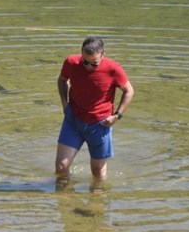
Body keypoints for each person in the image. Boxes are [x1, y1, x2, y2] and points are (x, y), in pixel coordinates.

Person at [56, 36, 134, 184]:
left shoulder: (113, 69)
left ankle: (97, 202)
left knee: (98, 172)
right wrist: (65, 105)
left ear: (103, 55)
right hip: (73, 120)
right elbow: (62, 80)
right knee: (61, 167)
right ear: (81, 53)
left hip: (100, 124)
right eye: (84, 61)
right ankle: (64, 199)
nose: (88, 67)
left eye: (94, 63)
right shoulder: (71, 62)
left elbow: (129, 91)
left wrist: (117, 115)